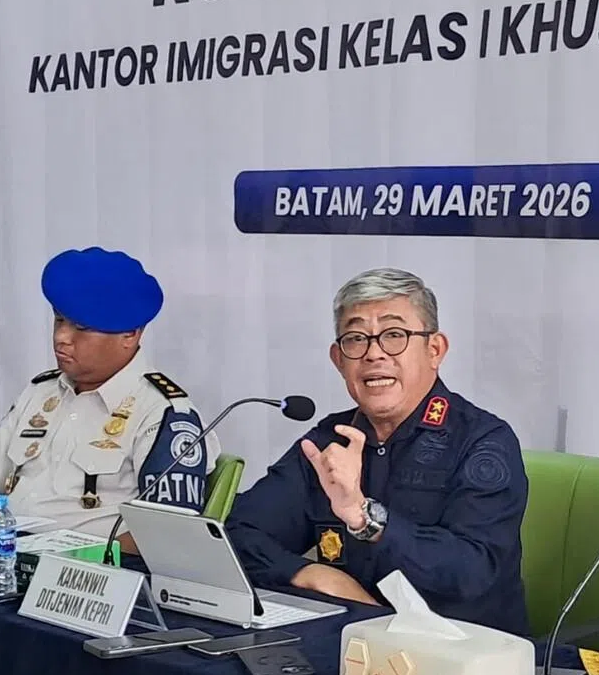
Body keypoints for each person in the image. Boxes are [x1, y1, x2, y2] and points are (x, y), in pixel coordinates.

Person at [226, 268, 530, 636]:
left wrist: (366, 519)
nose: (374, 354)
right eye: (356, 339)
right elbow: (238, 532)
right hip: (349, 645)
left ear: (434, 350)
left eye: (394, 336)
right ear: (339, 360)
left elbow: (472, 570)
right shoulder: (330, 440)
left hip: (461, 655)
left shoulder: (483, 441)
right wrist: (310, 574)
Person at [0, 247, 220, 552]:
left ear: (129, 334)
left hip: (84, 579)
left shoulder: (163, 413)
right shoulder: (41, 392)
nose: (62, 337)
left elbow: (166, 537)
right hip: (1, 563)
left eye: (81, 328)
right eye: (59, 320)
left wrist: (78, 563)